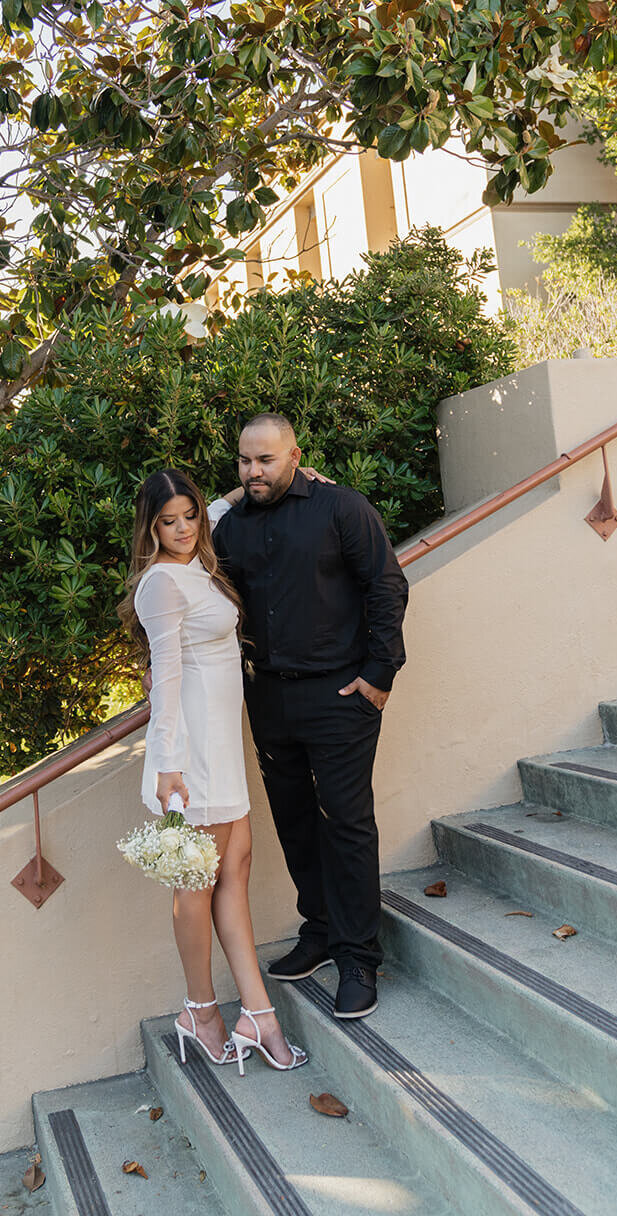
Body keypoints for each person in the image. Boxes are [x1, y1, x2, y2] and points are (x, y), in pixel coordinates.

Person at [209, 413, 409, 1020]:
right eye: (244, 461)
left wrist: (380, 674)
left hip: (340, 695)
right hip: (269, 696)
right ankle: (319, 930)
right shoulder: (232, 527)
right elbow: (188, 555)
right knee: (294, 820)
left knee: (346, 823)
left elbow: (386, 585)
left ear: (295, 456)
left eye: (266, 460)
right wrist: (230, 497)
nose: (254, 471)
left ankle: (358, 956)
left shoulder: (341, 508)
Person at [119, 468, 307, 1073]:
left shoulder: (199, 560)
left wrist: (257, 486)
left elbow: (219, 510)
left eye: (189, 516)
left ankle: (256, 1012)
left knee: (236, 867)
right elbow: (166, 677)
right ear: (150, 528)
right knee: (197, 882)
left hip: (222, 746)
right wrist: (168, 765)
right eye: (167, 522)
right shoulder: (162, 584)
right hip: (192, 751)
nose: (181, 529)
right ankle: (201, 1012)